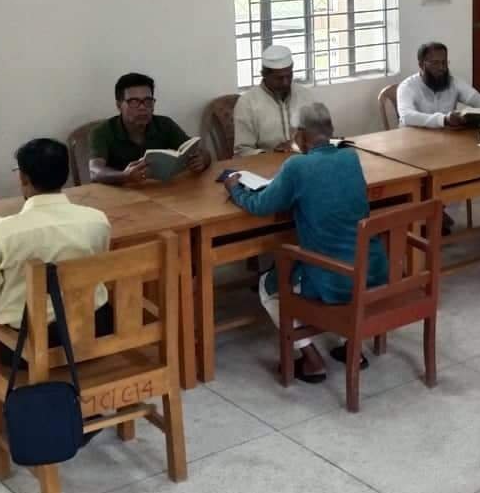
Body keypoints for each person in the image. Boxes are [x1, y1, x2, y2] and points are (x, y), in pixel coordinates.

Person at [223, 103, 384, 384]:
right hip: (370, 268)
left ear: (298, 135)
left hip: (333, 277)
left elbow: (260, 206)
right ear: (331, 129)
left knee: (268, 287)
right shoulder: (350, 158)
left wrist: (235, 189)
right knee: (333, 247)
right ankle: (352, 349)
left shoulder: (297, 166)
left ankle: (311, 359)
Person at [0, 139, 112, 351]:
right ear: (66, 174)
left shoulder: (4, 232)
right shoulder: (98, 221)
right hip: (95, 329)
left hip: (32, 345)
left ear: (23, 178)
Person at [90, 72, 210, 185]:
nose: (142, 107)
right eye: (134, 102)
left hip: (159, 190)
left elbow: (200, 152)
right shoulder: (102, 131)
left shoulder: (164, 124)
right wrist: (124, 176)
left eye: (148, 101)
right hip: (118, 194)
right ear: (119, 105)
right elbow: (95, 171)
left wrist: (202, 160)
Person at [396, 42, 480, 129]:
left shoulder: (454, 82)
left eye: (444, 62)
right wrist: (443, 119)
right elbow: (407, 116)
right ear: (421, 65)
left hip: (445, 138)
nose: (441, 68)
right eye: (435, 63)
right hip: (413, 138)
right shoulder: (407, 87)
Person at [233, 44, 315, 156]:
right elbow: (242, 151)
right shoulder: (247, 103)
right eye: (279, 78)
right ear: (264, 75)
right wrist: (274, 154)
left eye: (289, 76)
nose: (286, 82)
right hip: (267, 164)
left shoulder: (305, 95)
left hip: (305, 161)